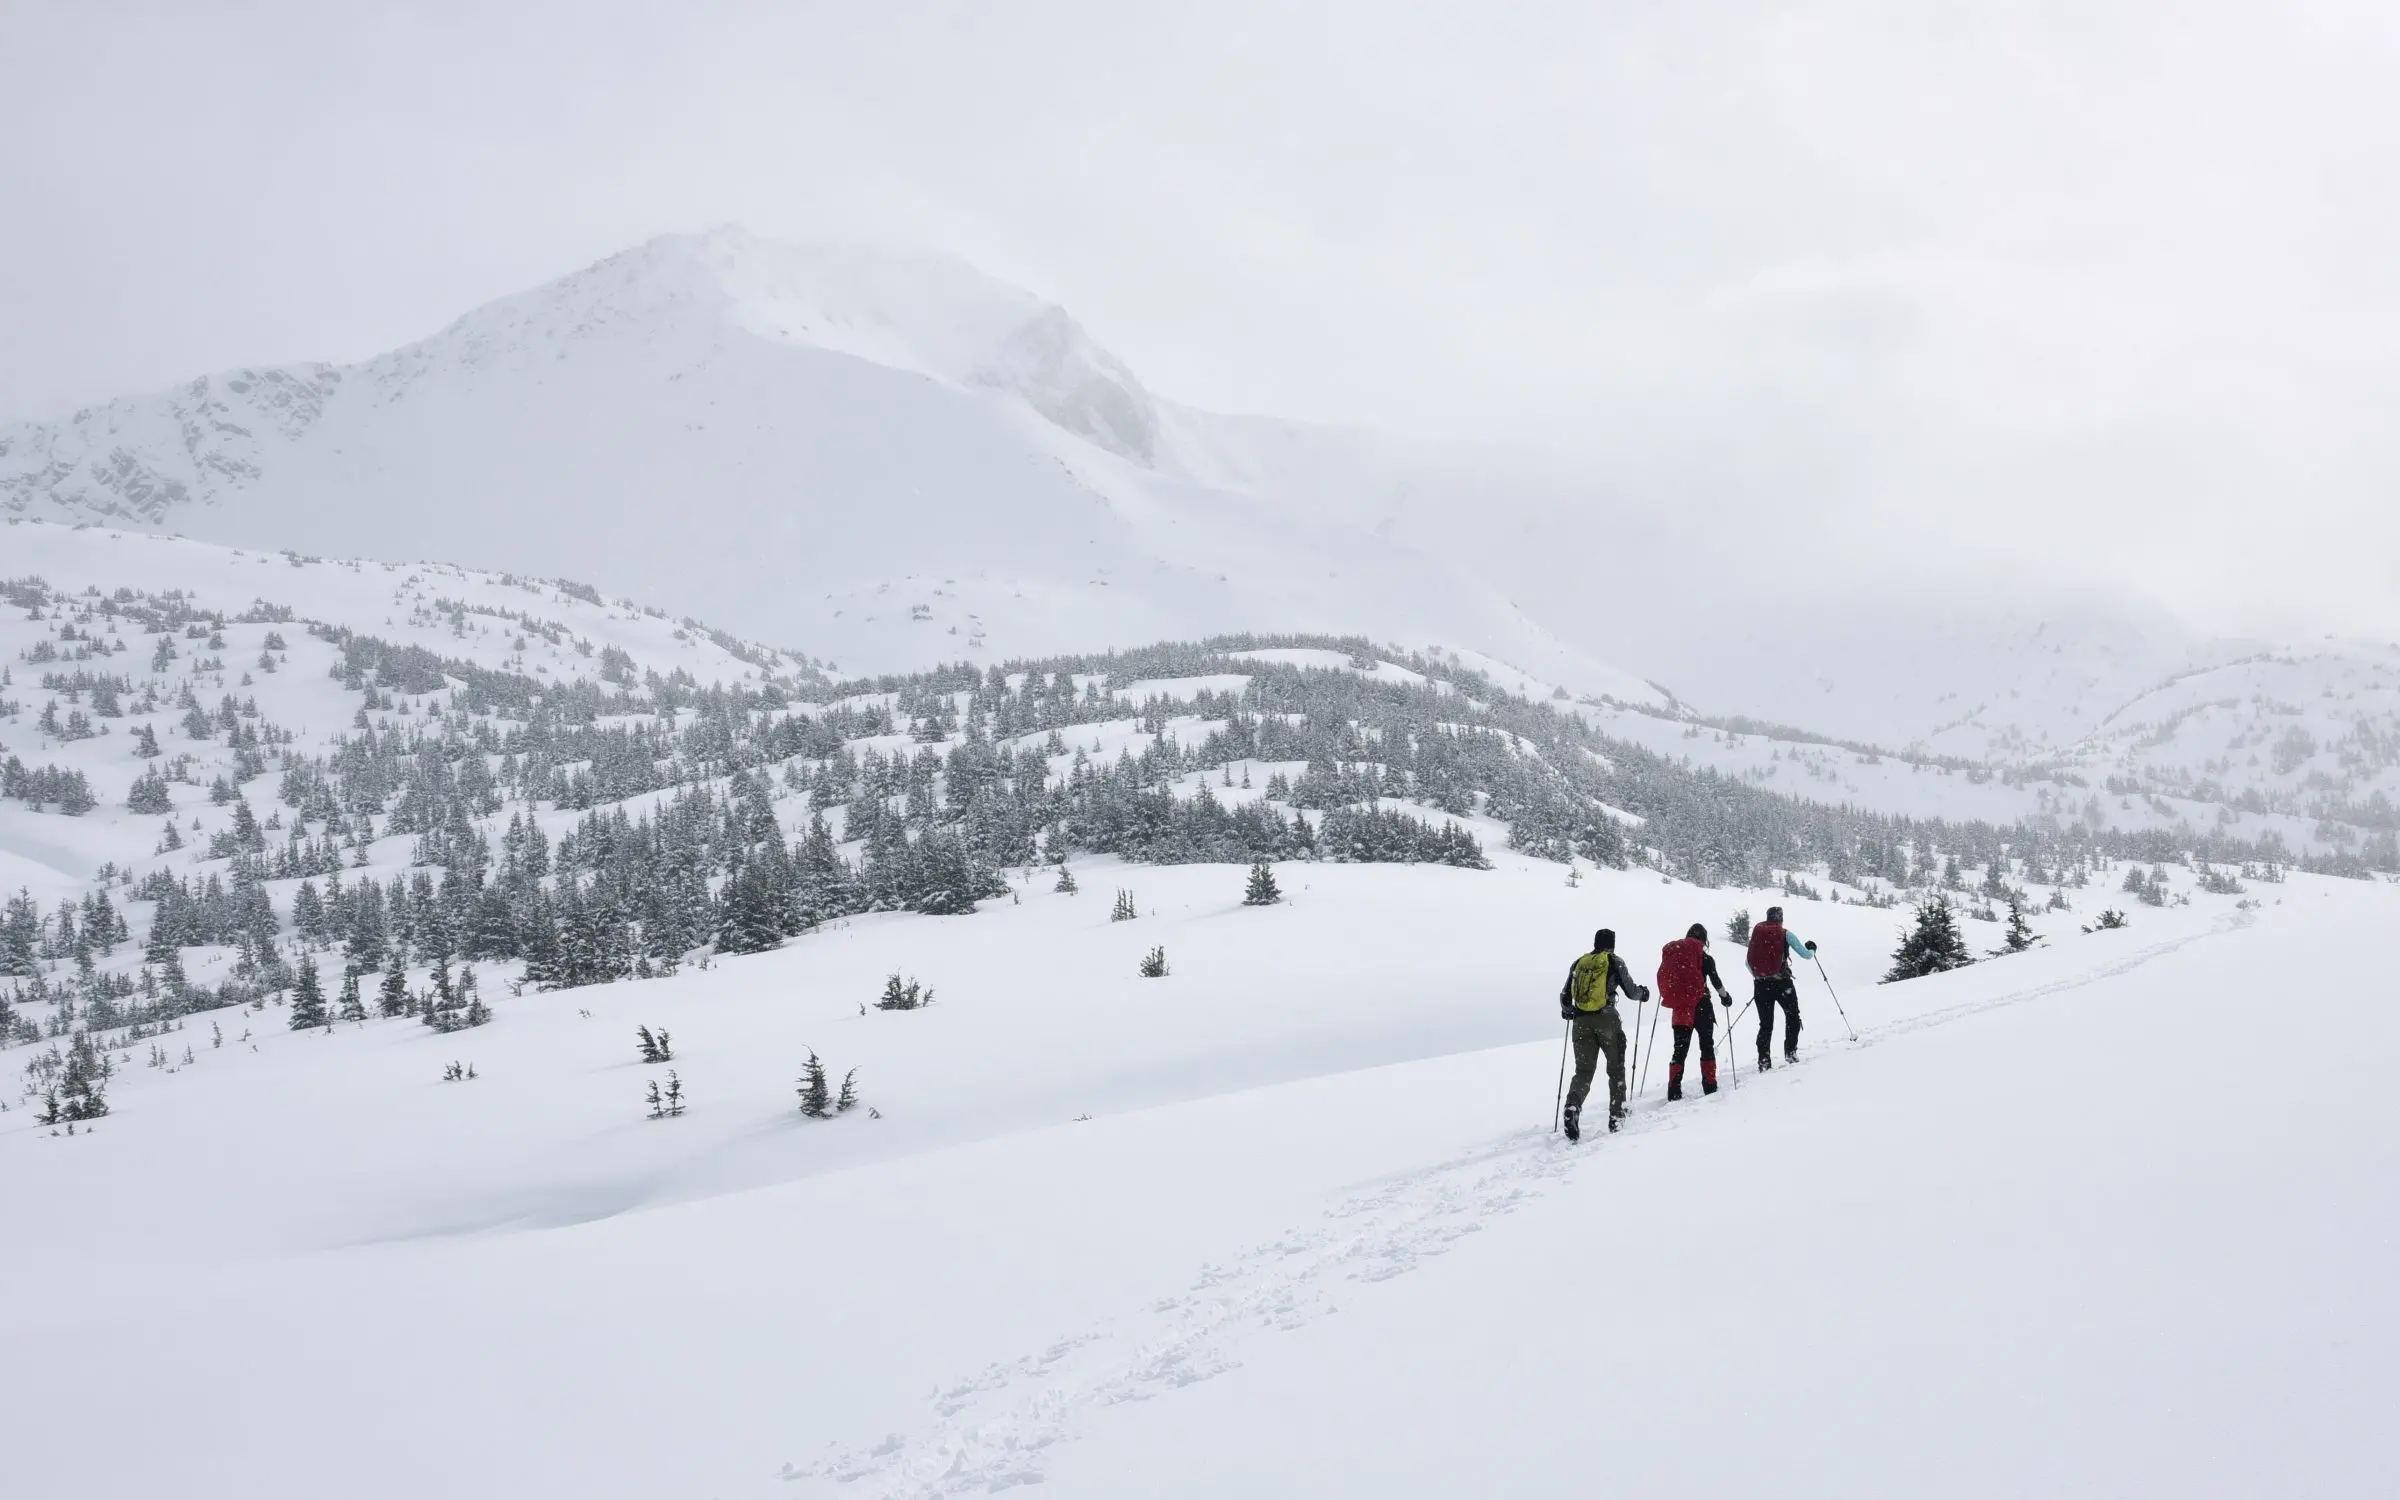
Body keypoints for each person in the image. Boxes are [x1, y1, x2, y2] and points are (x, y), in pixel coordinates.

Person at [1558, 927, 1649, 1139]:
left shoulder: (1579, 963)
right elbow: (1631, 991)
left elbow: (1565, 996)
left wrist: (1569, 1011)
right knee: (1616, 1069)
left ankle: (1572, 1106)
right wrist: (1643, 993)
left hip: (1581, 1021)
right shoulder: (1615, 961)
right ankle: (1617, 1116)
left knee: (1583, 1071)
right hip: (1607, 1019)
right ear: (1612, 944)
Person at [1656, 922, 1735, 1100]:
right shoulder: (1706, 959)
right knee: (1706, 1045)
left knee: (1679, 1050)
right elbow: (1715, 981)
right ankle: (1710, 1086)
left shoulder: (1676, 956)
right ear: (1703, 940)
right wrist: (1725, 997)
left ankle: (1674, 1090)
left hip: (1681, 1008)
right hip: (1702, 1005)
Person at [1746, 904, 1817, 1068]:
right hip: (1782, 983)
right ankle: (1790, 1052)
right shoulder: (1786, 934)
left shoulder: (1758, 934)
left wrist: (1762, 975)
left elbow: (1747, 963)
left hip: (1761, 985)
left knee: (1765, 1024)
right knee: (1792, 1017)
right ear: (1781, 919)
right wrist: (1812, 949)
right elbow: (1806, 955)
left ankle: (1764, 1060)